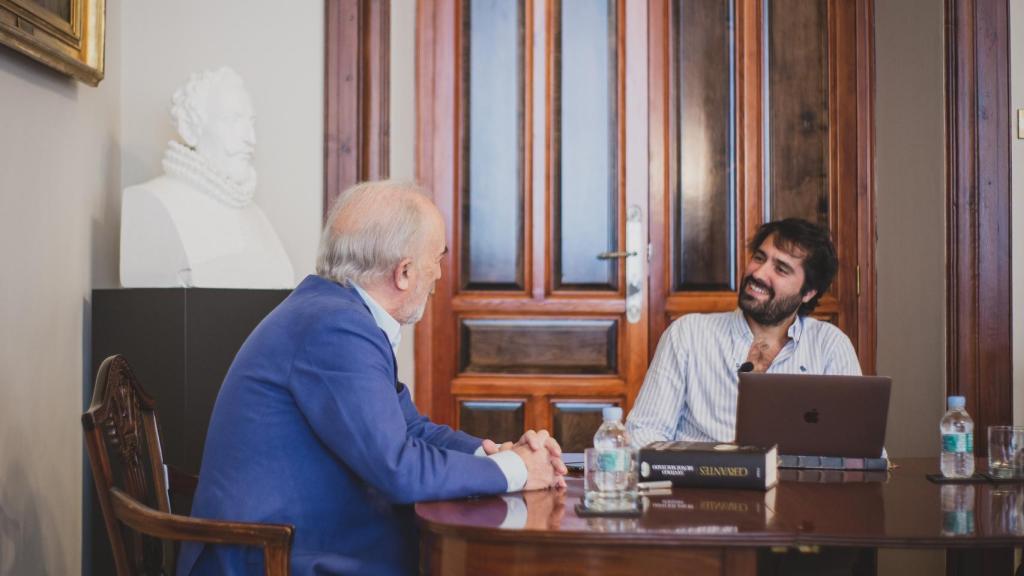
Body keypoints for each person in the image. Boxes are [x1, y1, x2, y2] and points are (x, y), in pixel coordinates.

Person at [177, 180, 566, 576]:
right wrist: (517, 470)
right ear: (405, 272)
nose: (438, 276)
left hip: (300, 538)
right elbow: (398, 469)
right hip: (271, 557)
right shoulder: (335, 326)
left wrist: (496, 454)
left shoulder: (334, 312)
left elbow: (409, 427)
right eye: (438, 258)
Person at [627, 218, 861, 448]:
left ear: (808, 292)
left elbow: (859, 446)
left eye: (780, 269)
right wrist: (712, 459)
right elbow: (643, 433)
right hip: (702, 483)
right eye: (759, 258)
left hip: (796, 484)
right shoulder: (687, 335)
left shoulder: (830, 345)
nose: (758, 273)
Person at [120, 67, 294, 288]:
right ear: (191, 128)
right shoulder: (151, 201)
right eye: (232, 119)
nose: (251, 138)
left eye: (251, 122)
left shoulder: (253, 213)